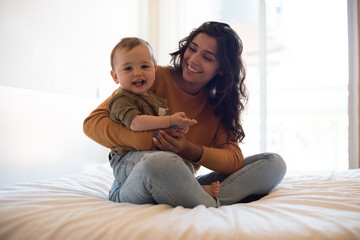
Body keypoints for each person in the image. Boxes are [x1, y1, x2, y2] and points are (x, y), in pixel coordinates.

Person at [83, 21, 286, 208]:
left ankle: (199, 197)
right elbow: (93, 123)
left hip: (182, 179)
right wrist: (152, 141)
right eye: (192, 49)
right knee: (161, 161)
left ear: (222, 69)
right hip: (141, 177)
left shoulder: (219, 106)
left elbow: (232, 160)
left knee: (273, 163)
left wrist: (187, 148)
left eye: (207, 57)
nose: (193, 60)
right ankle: (208, 202)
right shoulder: (150, 77)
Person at [108, 37, 220, 197]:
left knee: (184, 165)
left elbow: (163, 129)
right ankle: (193, 190)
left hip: (149, 158)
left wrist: (178, 129)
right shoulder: (122, 98)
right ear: (115, 77)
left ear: (154, 69)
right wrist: (170, 120)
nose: (137, 72)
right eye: (128, 68)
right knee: (162, 163)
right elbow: (135, 123)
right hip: (124, 160)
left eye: (145, 66)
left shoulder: (156, 100)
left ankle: (186, 186)